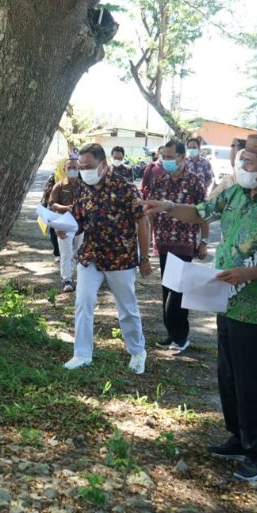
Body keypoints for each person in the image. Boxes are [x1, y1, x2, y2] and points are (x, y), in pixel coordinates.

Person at [145, 134, 257, 483]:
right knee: (228, 374)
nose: (241, 166)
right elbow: (200, 213)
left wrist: (248, 273)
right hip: (226, 301)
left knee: (253, 381)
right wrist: (168, 206)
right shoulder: (233, 194)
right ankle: (238, 436)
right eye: (241, 160)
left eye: (248, 162)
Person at [63, 143, 152, 373]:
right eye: (81, 167)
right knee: (83, 303)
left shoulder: (125, 187)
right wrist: (66, 228)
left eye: (88, 166)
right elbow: (80, 220)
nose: (83, 171)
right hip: (90, 255)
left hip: (119, 258)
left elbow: (142, 222)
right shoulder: (83, 187)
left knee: (127, 308)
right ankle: (82, 354)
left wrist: (144, 258)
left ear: (103, 164)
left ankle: (137, 352)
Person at [140, 139, 210, 352]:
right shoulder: (159, 180)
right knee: (166, 289)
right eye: (164, 156)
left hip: (185, 244)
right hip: (163, 242)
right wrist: (151, 238)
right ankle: (172, 333)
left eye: (170, 157)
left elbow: (204, 213)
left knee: (177, 292)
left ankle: (181, 336)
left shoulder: (195, 181)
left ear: (182, 157)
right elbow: (151, 210)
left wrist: (203, 242)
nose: (166, 160)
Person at [47, 156, 82, 293]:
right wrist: (65, 208)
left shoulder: (84, 186)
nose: (72, 170)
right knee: (66, 253)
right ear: (64, 169)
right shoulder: (59, 185)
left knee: (79, 253)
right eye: (69, 168)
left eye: (75, 167)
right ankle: (67, 280)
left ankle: (80, 279)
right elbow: (52, 204)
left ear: (79, 169)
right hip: (64, 224)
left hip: (81, 226)